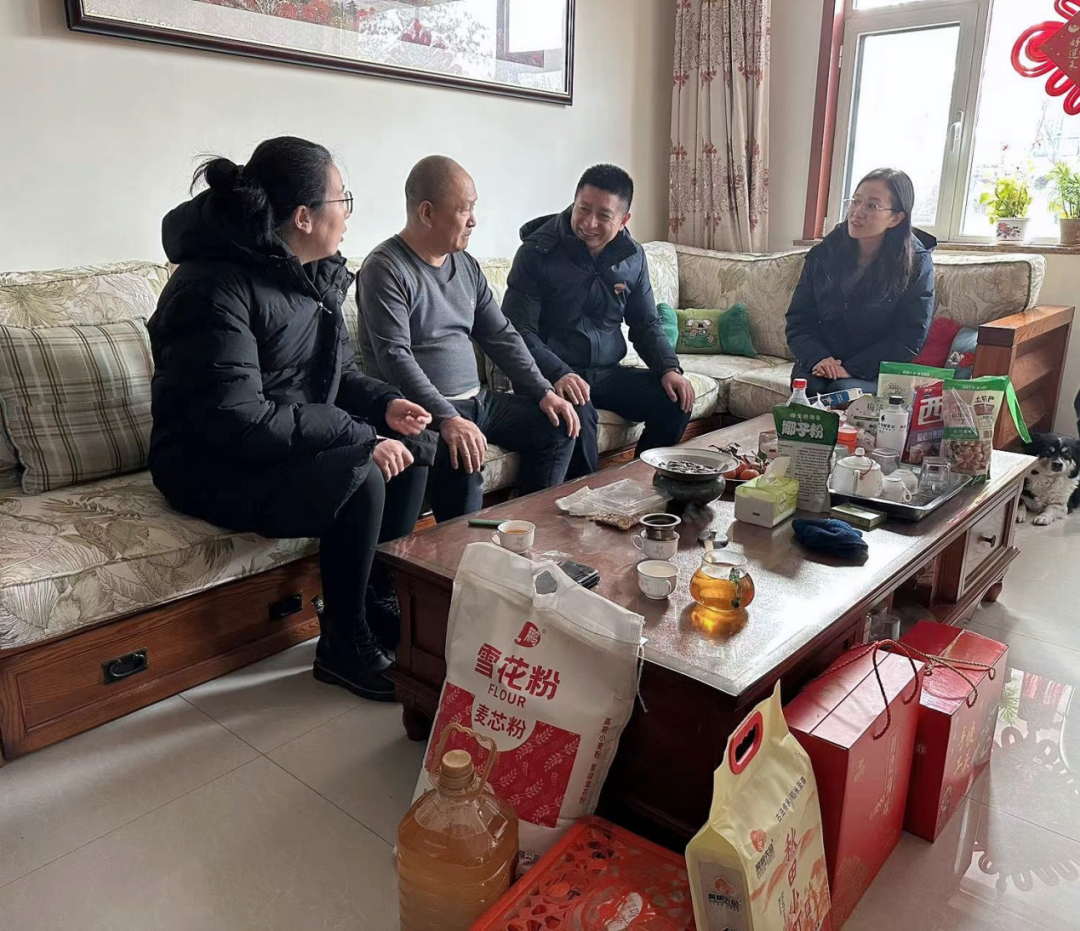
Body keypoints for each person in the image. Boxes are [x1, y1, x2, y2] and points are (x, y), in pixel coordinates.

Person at [148, 136, 434, 703]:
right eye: (341, 199)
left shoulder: (312, 274)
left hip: (274, 442)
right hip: (209, 461)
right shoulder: (210, 288)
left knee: (414, 447)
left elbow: (336, 374)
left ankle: (374, 598)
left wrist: (383, 405)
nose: (348, 214)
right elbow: (239, 420)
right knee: (364, 472)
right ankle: (343, 644)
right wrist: (360, 434)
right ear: (304, 217)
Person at [357, 155, 579, 522]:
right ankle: (461, 553)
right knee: (463, 457)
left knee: (558, 426)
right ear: (427, 213)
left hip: (479, 402)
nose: (474, 219)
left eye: (474, 207)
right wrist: (447, 418)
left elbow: (501, 335)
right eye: (464, 209)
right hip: (424, 413)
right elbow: (394, 356)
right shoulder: (385, 268)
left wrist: (543, 391)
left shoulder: (466, 265)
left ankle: (524, 530)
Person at [502, 164, 695, 479]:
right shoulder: (536, 251)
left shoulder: (632, 256)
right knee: (578, 416)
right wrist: (559, 373)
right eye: (583, 209)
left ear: (623, 220)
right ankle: (586, 498)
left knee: (676, 400)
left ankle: (642, 485)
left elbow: (645, 323)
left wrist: (668, 368)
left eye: (603, 215)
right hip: (549, 375)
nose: (589, 223)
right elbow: (518, 331)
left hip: (604, 373)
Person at [785, 167, 936, 397]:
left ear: (896, 218)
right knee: (809, 388)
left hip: (874, 368)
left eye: (872, 206)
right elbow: (799, 320)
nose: (857, 212)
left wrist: (852, 369)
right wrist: (819, 358)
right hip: (821, 361)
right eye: (855, 201)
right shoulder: (824, 253)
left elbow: (909, 336)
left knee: (843, 392)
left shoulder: (916, 263)